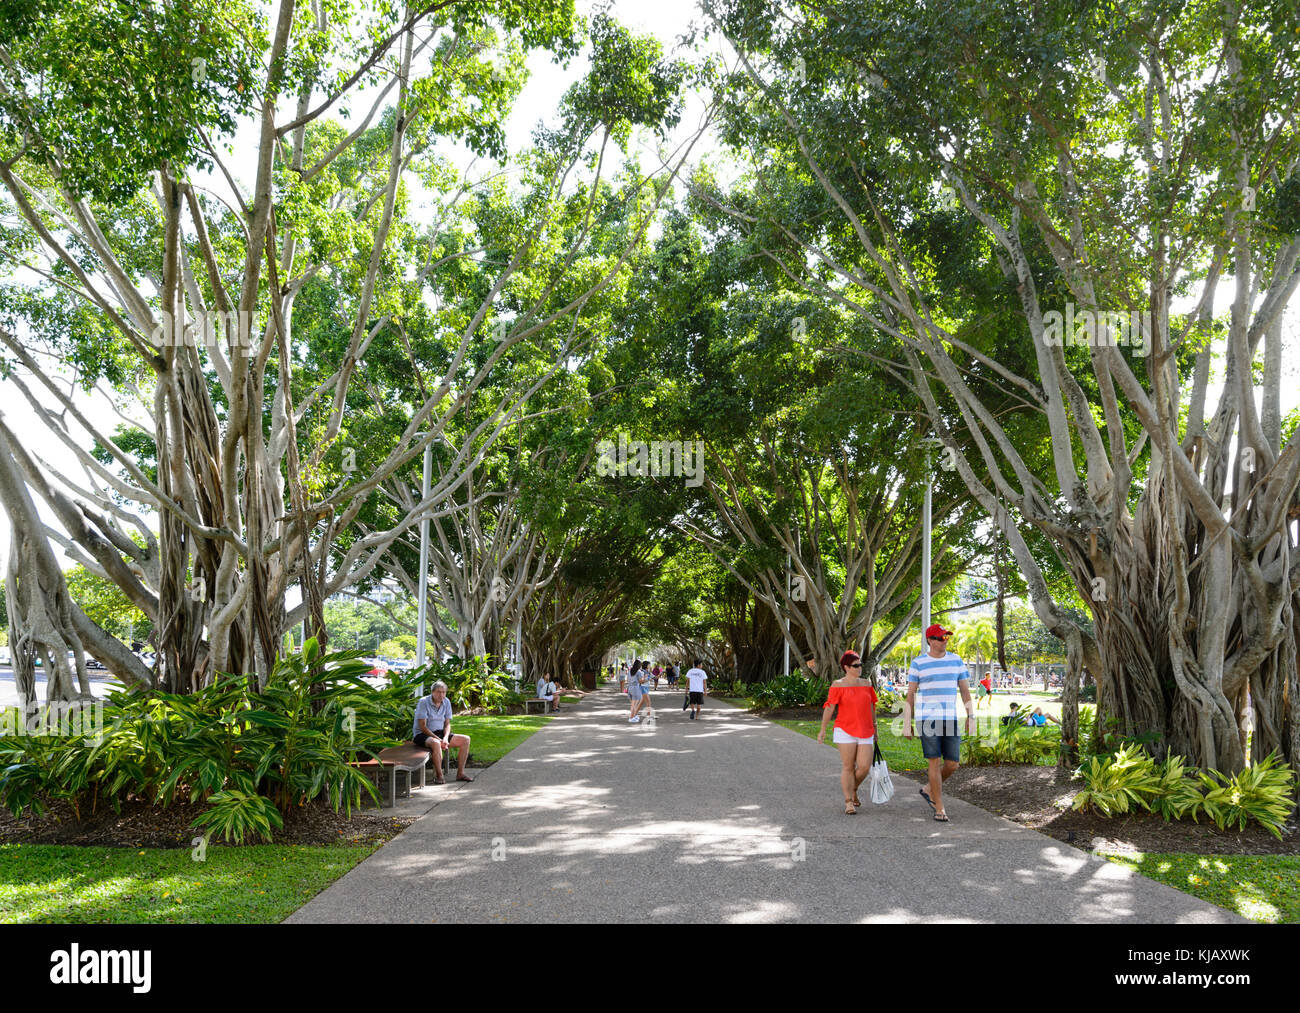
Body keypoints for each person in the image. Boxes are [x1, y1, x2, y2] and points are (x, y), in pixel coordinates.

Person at [904, 624, 974, 822]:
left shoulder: (956, 661)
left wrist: (971, 716)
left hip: (950, 718)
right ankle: (939, 806)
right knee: (934, 761)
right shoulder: (919, 663)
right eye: (940, 638)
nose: (944, 641)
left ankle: (928, 789)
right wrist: (906, 722)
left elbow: (965, 691)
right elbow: (911, 694)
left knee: (952, 764)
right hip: (927, 719)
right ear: (930, 640)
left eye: (946, 637)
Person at [817, 650, 878, 814]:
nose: (859, 668)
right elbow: (829, 707)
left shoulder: (866, 683)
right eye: (855, 665)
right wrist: (823, 729)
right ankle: (848, 801)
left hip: (866, 729)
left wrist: (875, 728)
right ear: (846, 667)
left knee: (864, 766)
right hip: (845, 729)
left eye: (860, 665)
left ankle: (853, 789)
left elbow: (872, 706)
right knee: (848, 766)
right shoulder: (838, 684)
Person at [412, 680, 473, 783]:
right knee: (436, 743)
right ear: (432, 692)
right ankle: (439, 776)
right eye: (438, 692)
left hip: (439, 733)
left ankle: (460, 774)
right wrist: (439, 740)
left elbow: (447, 724)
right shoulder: (424, 702)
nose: (441, 695)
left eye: (443, 692)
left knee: (466, 739)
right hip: (422, 735)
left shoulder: (446, 702)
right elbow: (422, 727)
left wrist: (445, 737)